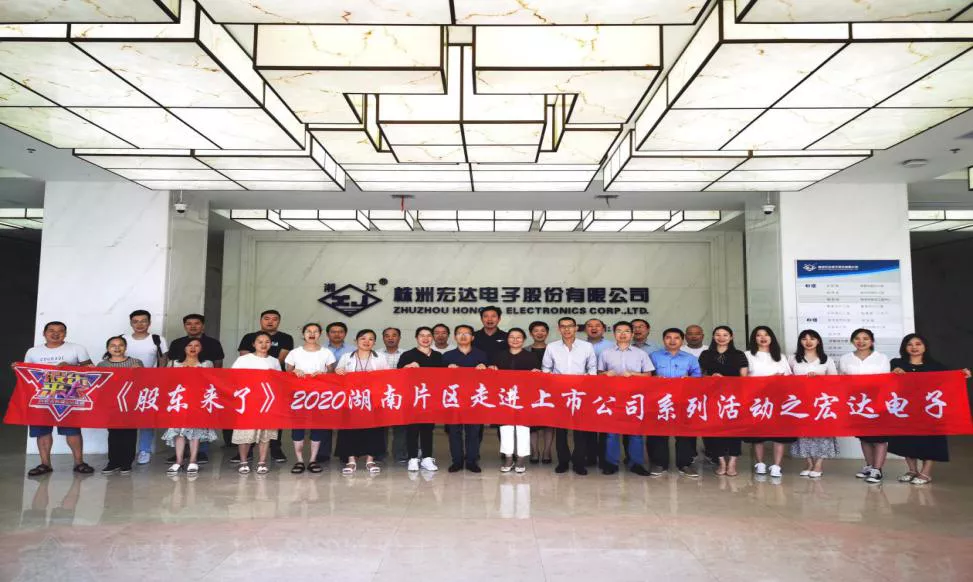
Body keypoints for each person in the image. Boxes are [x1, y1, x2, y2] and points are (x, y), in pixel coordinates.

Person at [888, 333, 971, 485]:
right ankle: (912, 470)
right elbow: (887, 380)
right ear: (904, 347)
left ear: (925, 347)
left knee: (931, 441)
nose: (914, 347)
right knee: (906, 440)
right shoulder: (896, 363)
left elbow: (950, 379)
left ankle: (926, 473)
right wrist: (895, 372)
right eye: (910, 344)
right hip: (906, 409)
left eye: (918, 344)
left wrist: (961, 375)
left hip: (928, 410)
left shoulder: (936, 366)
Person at [24, 321, 94, 477]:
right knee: (42, 430)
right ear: (44, 333)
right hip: (42, 396)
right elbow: (27, 374)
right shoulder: (33, 351)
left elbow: (91, 370)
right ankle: (45, 464)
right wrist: (18, 368)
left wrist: (71, 367)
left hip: (68, 395)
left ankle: (79, 463)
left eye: (60, 331)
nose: (55, 333)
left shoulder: (77, 348)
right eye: (51, 330)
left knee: (72, 430)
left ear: (65, 333)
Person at [165, 313, 225, 463]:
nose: (193, 326)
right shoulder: (177, 343)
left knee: (201, 422)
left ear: (203, 325)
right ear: (184, 326)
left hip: (202, 392)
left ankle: (201, 452)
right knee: (180, 422)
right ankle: (180, 454)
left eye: (197, 323)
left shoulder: (213, 343)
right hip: (180, 393)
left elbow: (218, 366)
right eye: (189, 324)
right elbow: (169, 369)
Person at [542, 317, 597, 475]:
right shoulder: (552, 347)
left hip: (580, 393)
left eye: (570, 326)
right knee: (561, 430)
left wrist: (583, 382)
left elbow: (592, 369)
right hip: (559, 393)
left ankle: (579, 462)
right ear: (559, 329)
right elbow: (546, 369)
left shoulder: (586, 346)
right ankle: (563, 461)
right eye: (563, 326)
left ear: (576, 328)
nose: (567, 329)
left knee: (580, 430)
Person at [238, 309, 294, 463]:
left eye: (274, 319)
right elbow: (244, 357)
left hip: (273, 385)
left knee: (273, 418)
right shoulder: (249, 337)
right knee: (249, 419)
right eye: (267, 318)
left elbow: (281, 359)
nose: (270, 321)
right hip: (251, 387)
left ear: (279, 321)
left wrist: (266, 364)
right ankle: (246, 451)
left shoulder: (286, 338)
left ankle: (275, 448)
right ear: (260, 320)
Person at [598, 321, 654, 476]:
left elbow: (649, 375)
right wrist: (605, 374)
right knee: (612, 433)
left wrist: (634, 374)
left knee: (636, 433)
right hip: (612, 398)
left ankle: (636, 463)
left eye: (627, 331)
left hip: (634, 398)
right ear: (614, 334)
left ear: (632, 334)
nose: (622, 334)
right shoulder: (605, 353)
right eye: (619, 331)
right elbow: (598, 375)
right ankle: (611, 463)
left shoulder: (641, 354)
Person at [334, 329, 390, 475]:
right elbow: (338, 375)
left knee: (373, 430)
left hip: (372, 400)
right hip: (352, 400)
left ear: (374, 342)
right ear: (356, 341)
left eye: (371, 339)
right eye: (363, 338)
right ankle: (351, 460)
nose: (367, 342)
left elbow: (388, 377)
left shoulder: (380, 357)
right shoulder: (347, 357)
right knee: (349, 430)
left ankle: (370, 460)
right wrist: (339, 372)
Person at [839, 328, 891, 484]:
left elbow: (885, 380)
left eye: (865, 338)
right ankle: (869, 465)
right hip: (856, 403)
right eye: (857, 338)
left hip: (877, 402)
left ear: (872, 341)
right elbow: (842, 380)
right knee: (864, 437)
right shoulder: (845, 358)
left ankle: (877, 469)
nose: (861, 341)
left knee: (879, 438)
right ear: (852, 341)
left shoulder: (881, 358)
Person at [648, 328, 703, 477]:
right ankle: (659, 463)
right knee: (658, 432)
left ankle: (685, 464)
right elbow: (646, 375)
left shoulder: (690, 358)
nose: (672, 341)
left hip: (682, 400)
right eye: (668, 337)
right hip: (660, 401)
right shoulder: (654, 356)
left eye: (676, 338)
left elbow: (698, 377)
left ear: (682, 340)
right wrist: (654, 379)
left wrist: (689, 380)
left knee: (684, 432)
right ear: (663, 340)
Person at [285, 323, 336, 474]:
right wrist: (295, 371)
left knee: (317, 426)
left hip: (319, 395)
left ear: (320, 334)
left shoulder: (326, 353)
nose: (312, 334)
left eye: (315, 331)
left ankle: (313, 460)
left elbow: (332, 374)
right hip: (298, 395)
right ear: (303, 333)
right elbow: (287, 373)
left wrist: (323, 374)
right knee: (298, 427)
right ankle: (299, 460)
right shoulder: (294, 353)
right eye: (308, 331)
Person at [697, 325, 748, 477]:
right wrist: (710, 378)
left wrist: (726, 380)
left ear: (731, 337)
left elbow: (744, 378)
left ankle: (732, 462)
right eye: (718, 334)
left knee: (734, 430)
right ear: (713, 337)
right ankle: (721, 462)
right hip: (712, 397)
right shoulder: (706, 354)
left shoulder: (738, 354)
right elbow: (698, 375)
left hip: (733, 398)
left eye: (725, 335)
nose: (721, 338)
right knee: (715, 430)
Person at [162, 338, 218, 475]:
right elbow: (166, 381)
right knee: (179, 432)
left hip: (198, 401)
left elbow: (211, 382)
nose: (193, 348)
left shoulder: (207, 363)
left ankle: (193, 460)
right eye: (189, 345)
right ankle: (179, 461)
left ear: (201, 348)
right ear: (184, 348)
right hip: (178, 401)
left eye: (196, 345)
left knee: (195, 432)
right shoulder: (174, 363)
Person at [743, 326, 793, 478]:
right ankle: (760, 463)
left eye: (766, 335)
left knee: (779, 434)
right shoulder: (747, 355)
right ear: (754, 339)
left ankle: (777, 465)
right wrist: (769, 380)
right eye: (759, 335)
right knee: (758, 434)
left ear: (772, 337)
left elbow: (789, 377)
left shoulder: (780, 356)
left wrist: (780, 379)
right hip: (757, 400)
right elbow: (744, 379)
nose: (763, 338)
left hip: (778, 399)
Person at [789, 330, 839, 478]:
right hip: (800, 401)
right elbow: (787, 379)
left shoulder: (826, 359)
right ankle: (809, 463)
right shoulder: (793, 358)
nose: (808, 342)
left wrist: (819, 377)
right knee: (803, 432)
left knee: (822, 433)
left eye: (812, 338)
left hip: (822, 402)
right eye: (804, 339)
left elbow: (835, 381)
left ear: (818, 341)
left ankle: (819, 464)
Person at [491, 327, 541, 474]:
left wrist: (536, 373)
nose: (515, 340)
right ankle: (508, 458)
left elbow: (538, 378)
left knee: (523, 428)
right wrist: (491, 369)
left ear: (524, 340)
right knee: (505, 428)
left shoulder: (531, 357)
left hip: (524, 398)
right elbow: (492, 375)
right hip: (504, 397)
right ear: (507, 339)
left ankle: (520, 459)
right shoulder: (499, 355)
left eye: (518, 337)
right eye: (511, 337)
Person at [231, 332, 282, 475]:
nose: (264, 345)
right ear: (254, 344)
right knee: (245, 433)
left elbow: (279, 381)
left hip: (267, 403)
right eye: (260, 342)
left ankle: (262, 462)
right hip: (248, 402)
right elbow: (233, 377)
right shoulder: (243, 359)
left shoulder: (274, 361)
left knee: (265, 434)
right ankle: (243, 461)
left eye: (267, 342)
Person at [122, 309, 168, 465]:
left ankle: (144, 450)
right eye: (135, 321)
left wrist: (159, 380)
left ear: (149, 323)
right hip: (126, 385)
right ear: (131, 323)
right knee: (126, 417)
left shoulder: (157, 339)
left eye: (143, 321)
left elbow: (163, 360)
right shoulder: (123, 339)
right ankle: (126, 450)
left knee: (146, 418)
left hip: (149, 384)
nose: (139, 324)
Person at [443, 325, 490, 472]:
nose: (463, 336)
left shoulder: (482, 355)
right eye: (459, 333)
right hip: (454, 400)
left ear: (473, 337)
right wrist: (447, 370)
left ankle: (471, 461)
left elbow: (491, 379)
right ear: (454, 337)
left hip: (474, 400)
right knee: (454, 432)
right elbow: (439, 380)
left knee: (473, 432)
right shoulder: (447, 356)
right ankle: (457, 461)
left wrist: (485, 369)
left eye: (467, 333)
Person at [397, 326, 444, 473]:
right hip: (413, 398)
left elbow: (444, 378)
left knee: (427, 429)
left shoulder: (438, 356)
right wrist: (407, 367)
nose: (425, 338)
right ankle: (412, 458)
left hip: (431, 399)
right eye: (422, 335)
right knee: (412, 429)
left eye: (429, 335)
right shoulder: (407, 355)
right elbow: (398, 376)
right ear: (416, 338)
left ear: (432, 338)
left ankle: (427, 458)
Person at [99, 336, 143, 475]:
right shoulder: (102, 365)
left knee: (129, 433)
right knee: (114, 433)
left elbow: (143, 382)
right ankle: (113, 462)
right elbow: (99, 385)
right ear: (108, 348)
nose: (117, 348)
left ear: (125, 347)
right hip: (111, 404)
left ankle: (126, 463)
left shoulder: (135, 362)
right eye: (113, 345)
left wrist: (139, 371)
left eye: (120, 345)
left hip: (130, 403)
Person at [526, 321, 553, 464]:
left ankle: (547, 451)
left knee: (549, 423)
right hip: (531, 392)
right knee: (532, 424)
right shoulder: (525, 350)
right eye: (536, 331)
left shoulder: (553, 349)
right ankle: (534, 451)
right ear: (531, 333)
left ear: (547, 333)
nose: (539, 333)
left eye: (543, 330)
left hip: (551, 391)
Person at [378, 327, 405, 462]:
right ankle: (379, 453)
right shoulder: (376, 354)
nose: (390, 338)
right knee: (380, 426)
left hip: (401, 395)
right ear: (383, 338)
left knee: (400, 426)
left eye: (394, 335)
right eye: (387, 335)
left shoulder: (406, 354)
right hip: (380, 395)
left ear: (399, 338)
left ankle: (400, 454)